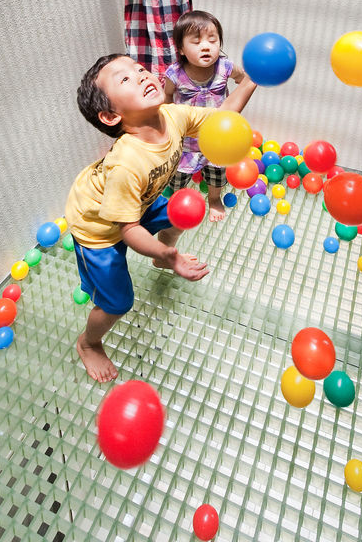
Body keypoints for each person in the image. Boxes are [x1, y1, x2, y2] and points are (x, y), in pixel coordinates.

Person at [66, 52, 256, 382]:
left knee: (182, 212)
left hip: (139, 201)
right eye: (125, 79)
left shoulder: (172, 115)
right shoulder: (127, 163)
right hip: (98, 227)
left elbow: (223, 118)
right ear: (111, 116)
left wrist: (252, 81)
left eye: (139, 69)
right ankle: (88, 344)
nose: (141, 75)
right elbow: (129, 231)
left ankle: (160, 260)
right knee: (117, 303)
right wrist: (168, 252)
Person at [164, 10, 246, 222]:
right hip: (187, 141)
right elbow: (167, 96)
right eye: (197, 41)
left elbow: (242, 78)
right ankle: (178, 199)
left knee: (216, 174)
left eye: (213, 39)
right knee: (178, 176)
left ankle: (214, 199)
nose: (206, 46)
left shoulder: (225, 68)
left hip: (217, 140)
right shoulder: (175, 74)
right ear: (181, 49)